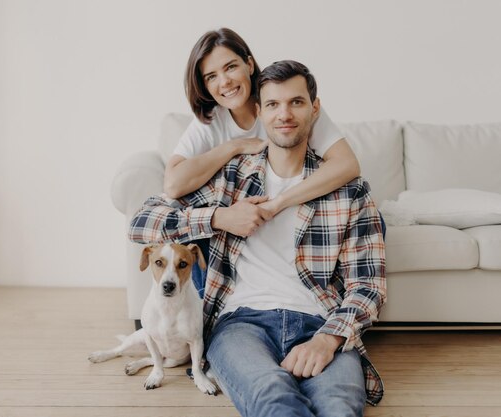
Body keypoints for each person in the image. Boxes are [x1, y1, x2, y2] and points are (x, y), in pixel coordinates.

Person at [129, 60, 386, 416]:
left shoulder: (350, 192)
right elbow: (142, 222)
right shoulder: (229, 179)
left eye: (296, 102)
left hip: (320, 321)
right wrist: (219, 217)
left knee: (339, 407)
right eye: (272, 105)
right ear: (259, 113)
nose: (284, 114)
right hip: (241, 324)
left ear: (315, 108)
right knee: (274, 400)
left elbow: (368, 286)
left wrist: (329, 339)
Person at [165, 28, 362, 296]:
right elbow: (173, 186)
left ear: (248, 64)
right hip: (242, 225)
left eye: (230, 67)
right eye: (211, 76)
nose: (224, 82)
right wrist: (234, 146)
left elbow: (347, 165)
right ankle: (204, 317)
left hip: (295, 210)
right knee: (194, 230)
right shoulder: (211, 121)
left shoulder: (285, 102)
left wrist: (279, 202)